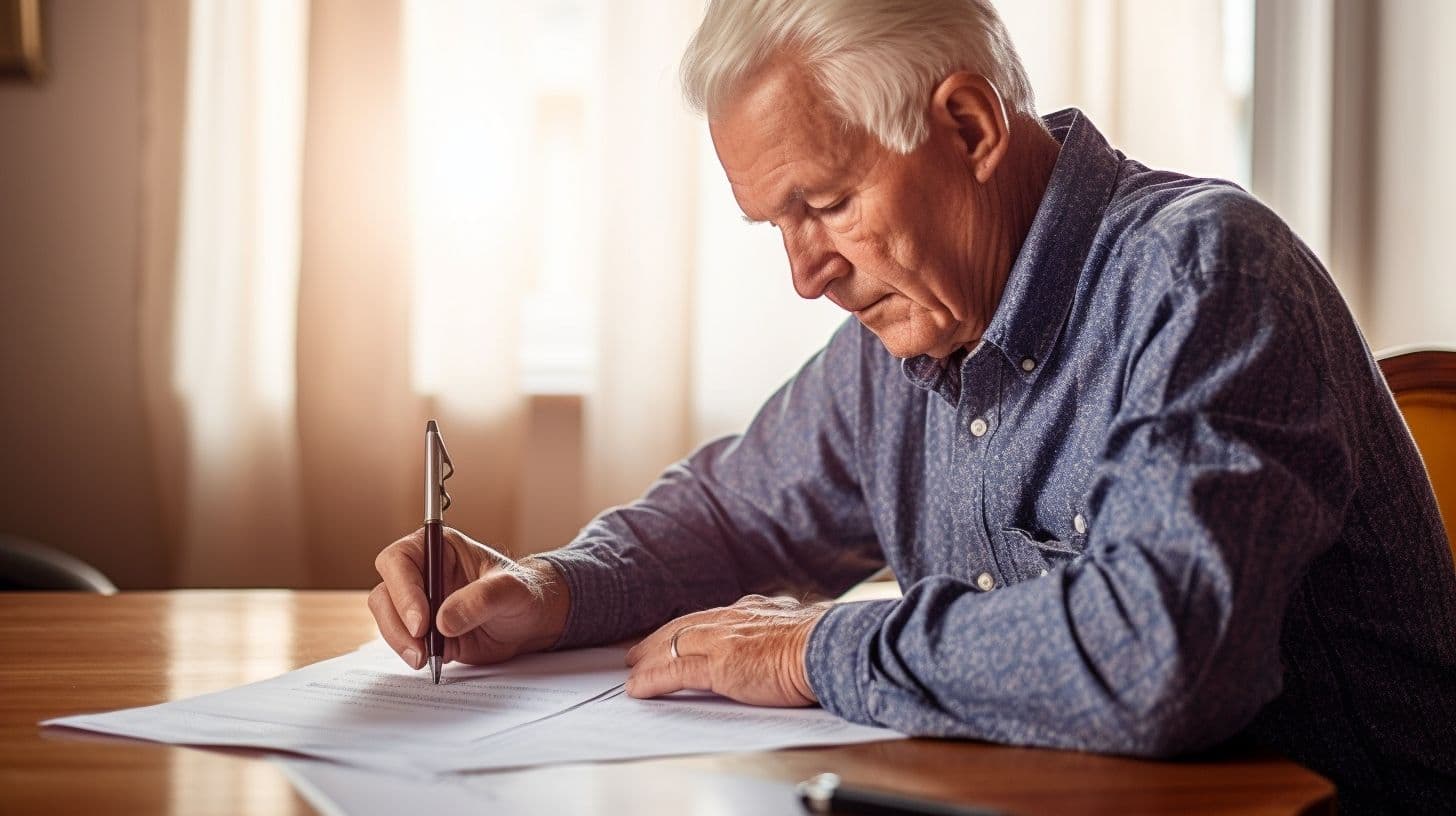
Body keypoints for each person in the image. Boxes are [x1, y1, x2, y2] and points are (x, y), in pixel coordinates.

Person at [369, 1, 1456, 811]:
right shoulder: (901, 340)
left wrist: (805, 652)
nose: (804, 275)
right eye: (776, 226)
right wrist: (546, 587)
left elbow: (1154, 661)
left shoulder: (1203, 278)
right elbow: (729, 516)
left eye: (827, 205)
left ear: (970, 127)